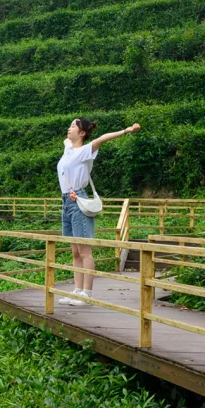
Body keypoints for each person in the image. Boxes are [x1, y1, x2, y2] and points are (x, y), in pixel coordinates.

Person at [57, 116, 141, 299]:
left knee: (85, 250)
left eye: (73, 126)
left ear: (82, 133)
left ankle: (87, 293)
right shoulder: (67, 148)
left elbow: (103, 138)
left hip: (78, 199)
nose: (69, 128)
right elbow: (66, 140)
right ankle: (77, 291)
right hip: (66, 202)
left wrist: (126, 130)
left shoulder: (86, 150)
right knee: (75, 251)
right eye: (69, 125)